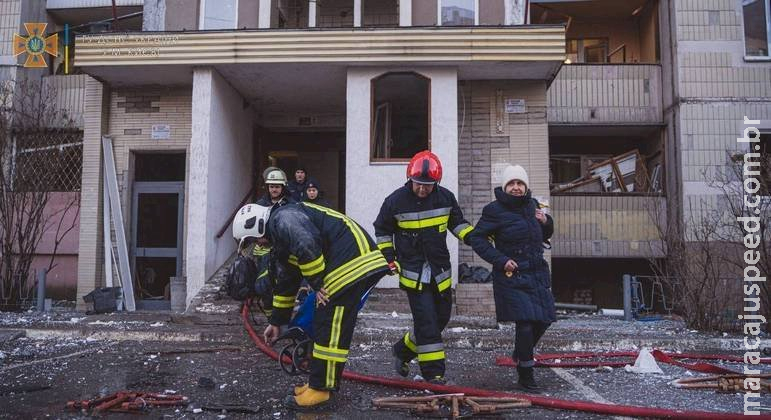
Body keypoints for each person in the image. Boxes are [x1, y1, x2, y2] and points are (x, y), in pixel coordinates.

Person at [232, 202, 389, 409]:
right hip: (346, 263)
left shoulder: (283, 219)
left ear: (259, 226)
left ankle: (321, 391)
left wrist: (317, 283)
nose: (259, 245)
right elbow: (287, 282)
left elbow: (307, 245)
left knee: (329, 327)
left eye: (254, 240)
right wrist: (277, 322)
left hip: (353, 263)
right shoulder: (281, 239)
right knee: (322, 323)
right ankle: (317, 384)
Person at [373, 150, 474, 384]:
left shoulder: (445, 198)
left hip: (440, 274)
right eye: (419, 184)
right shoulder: (395, 201)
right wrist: (388, 256)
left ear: (436, 183)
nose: (422, 189)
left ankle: (403, 350)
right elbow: (383, 230)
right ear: (410, 179)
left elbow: (458, 225)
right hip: (414, 276)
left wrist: (476, 238)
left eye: (428, 185)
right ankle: (434, 375)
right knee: (427, 323)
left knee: (440, 320)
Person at [467, 164, 555, 392]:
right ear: (505, 187)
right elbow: (477, 238)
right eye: (512, 184)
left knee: (544, 319)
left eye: (520, 184)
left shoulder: (533, 206)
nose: (516, 188)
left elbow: (543, 234)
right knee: (525, 324)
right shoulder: (494, 210)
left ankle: (520, 352)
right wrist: (500, 259)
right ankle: (526, 373)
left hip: (536, 272)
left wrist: (546, 222)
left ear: (525, 187)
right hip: (512, 274)